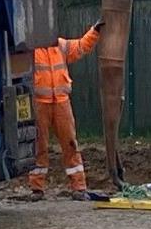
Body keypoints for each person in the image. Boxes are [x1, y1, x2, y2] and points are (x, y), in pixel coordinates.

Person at [25, 22, 102, 198]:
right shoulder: (30, 50)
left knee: (70, 144)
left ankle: (79, 187)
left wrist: (94, 31)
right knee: (39, 146)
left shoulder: (60, 46)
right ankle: (37, 188)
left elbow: (81, 46)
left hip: (61, 102)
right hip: (40, 104)